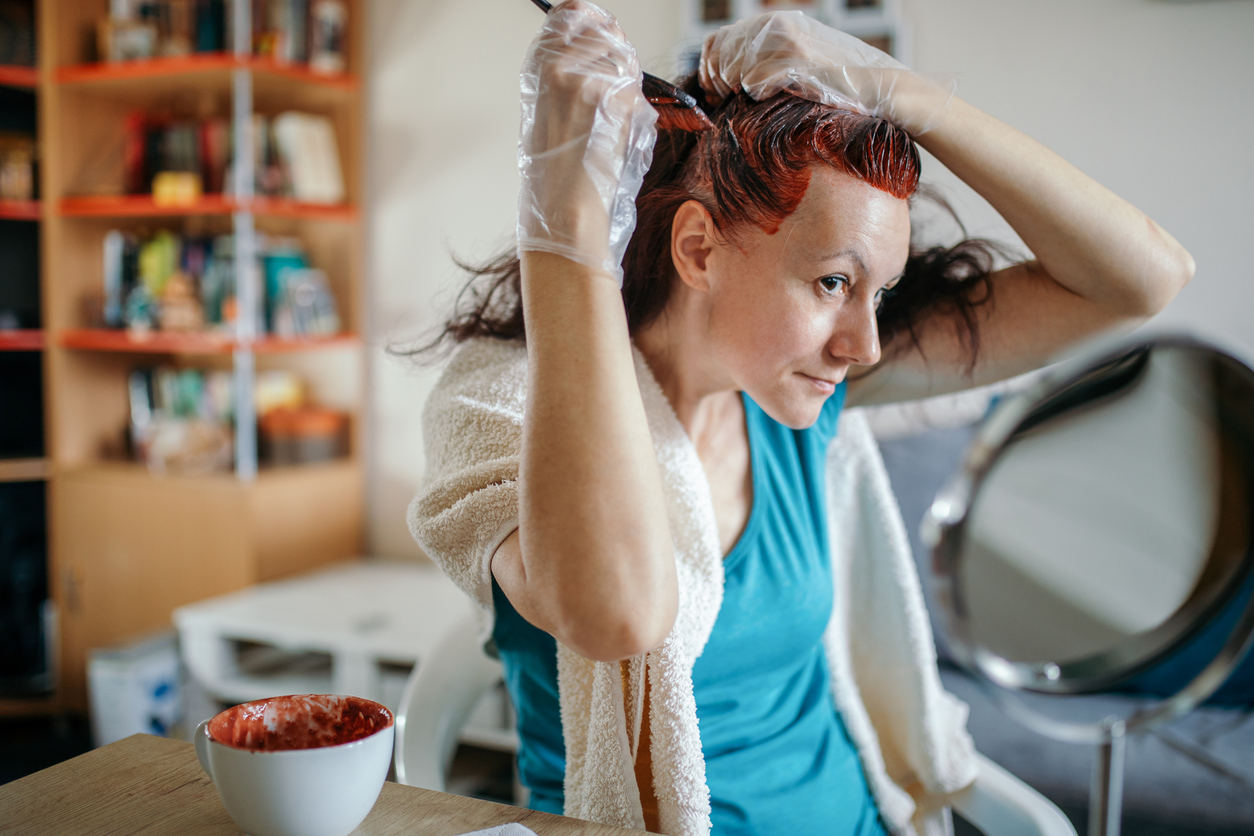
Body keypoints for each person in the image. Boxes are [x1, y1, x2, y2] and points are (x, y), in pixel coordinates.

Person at [408, 4, 1194, 836]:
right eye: (831, 283)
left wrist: (901, 93)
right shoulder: (497, 406)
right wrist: (566, 223)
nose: (863, 344)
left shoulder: (803, 398)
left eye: (878, 292)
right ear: (699, 249)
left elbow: (1141, 280)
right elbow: (621, 615)